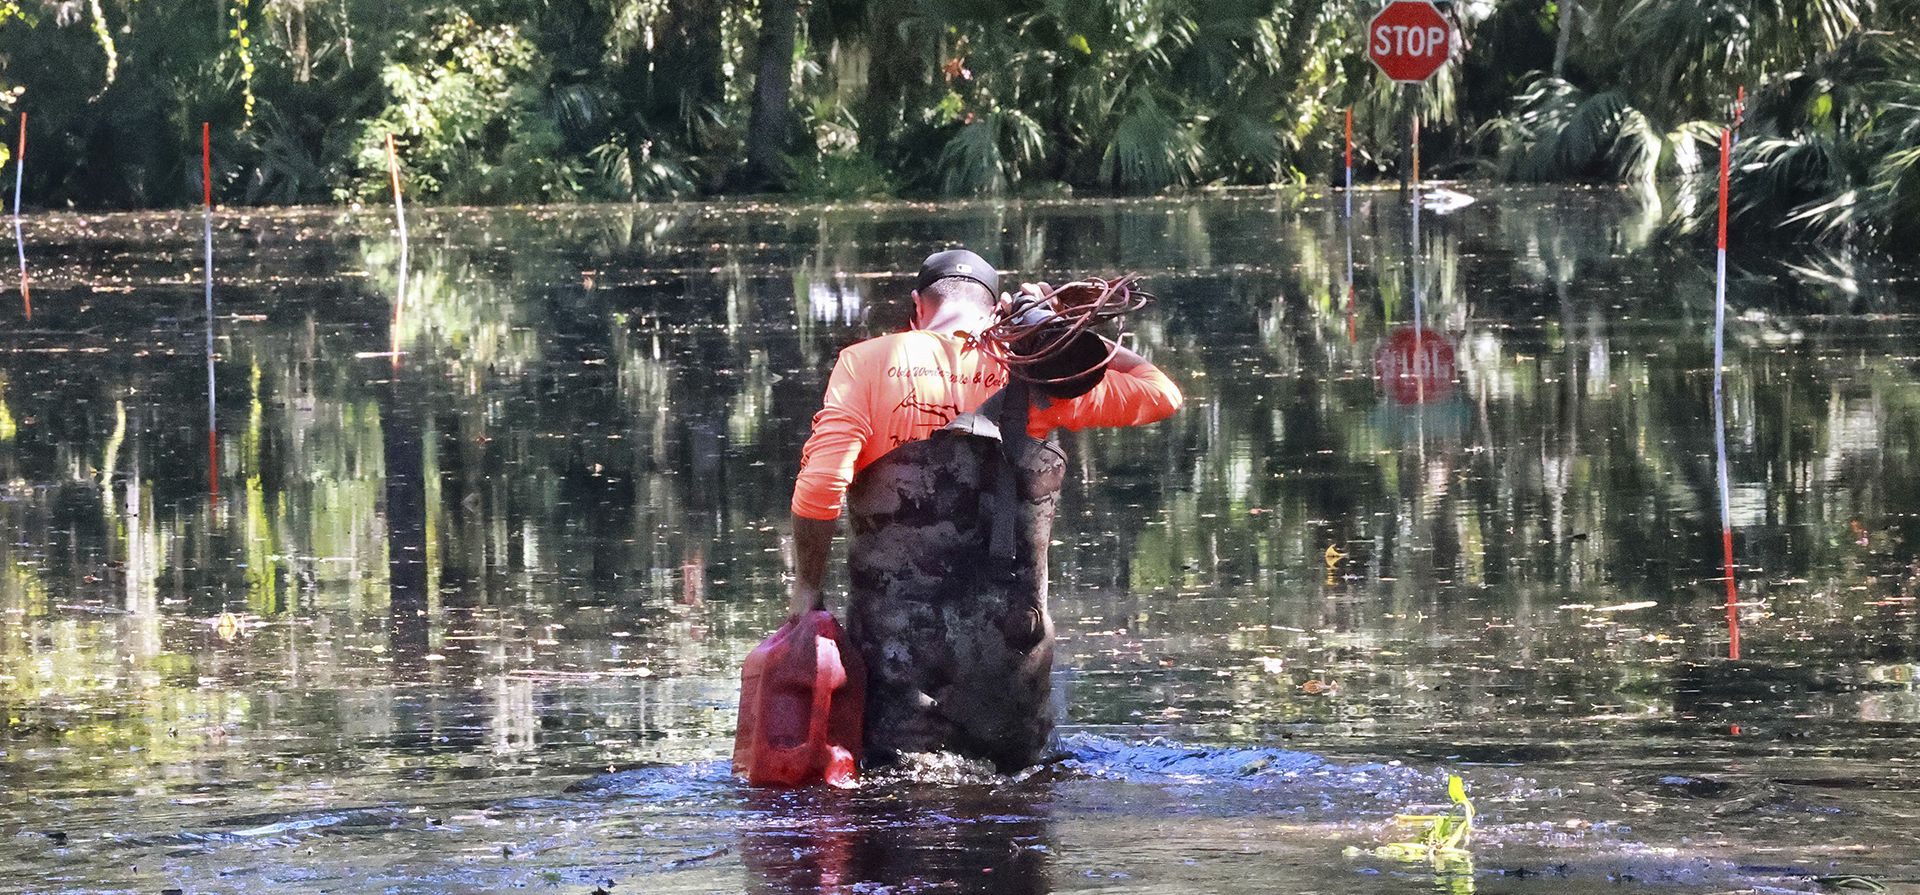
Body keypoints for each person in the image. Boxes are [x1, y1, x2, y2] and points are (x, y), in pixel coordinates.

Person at [787, 248, 1181, 770]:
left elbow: (820, 484)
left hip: (897, 663)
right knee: (1018, 796)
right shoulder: (1036, 375)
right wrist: (1056, 334)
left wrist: (808, 591)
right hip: (1012, 664)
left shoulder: (867, 362)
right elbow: (1161, 393)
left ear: (917, 306)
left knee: (898, 792)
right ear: (998, 310)